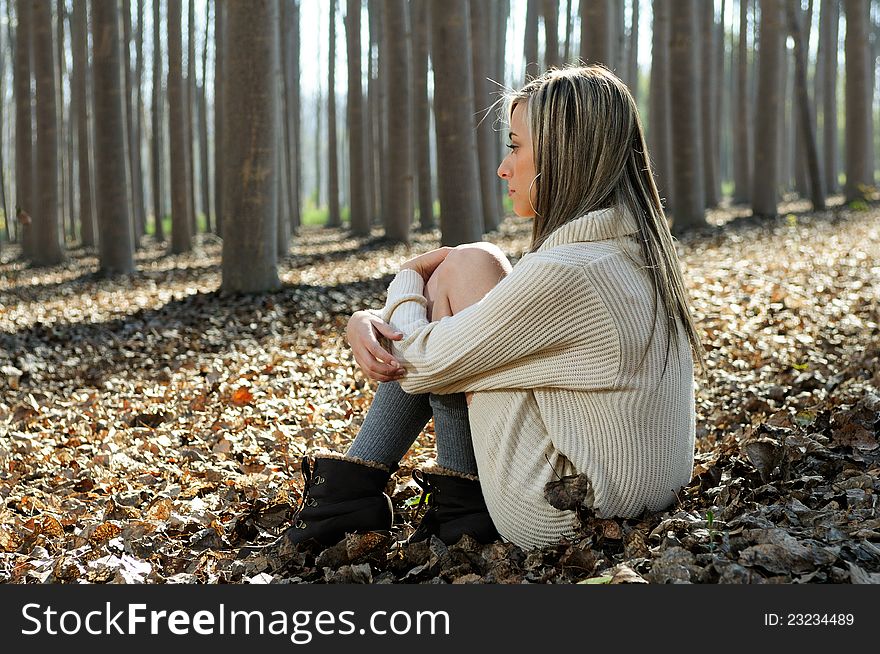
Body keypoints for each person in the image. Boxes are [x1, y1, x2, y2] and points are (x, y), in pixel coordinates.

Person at [282, 65, 703, 551]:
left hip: (561, 512)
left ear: (566, 155)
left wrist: (405, 282)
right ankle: (435, 505)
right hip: (628, 497)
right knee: (469, 273)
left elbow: (419, 367)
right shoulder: (633, 251)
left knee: (466, 268)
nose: (505, 168)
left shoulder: (570, 271)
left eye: (516, 146)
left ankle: (353, 501)